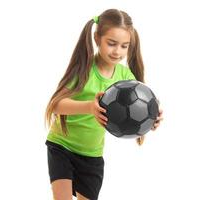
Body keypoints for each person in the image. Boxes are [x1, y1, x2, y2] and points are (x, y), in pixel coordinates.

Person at [45, 9, 163, 200]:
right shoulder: (84, 69)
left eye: (125, 46)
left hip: (92, 154)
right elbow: (56, 105)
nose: (118, 51)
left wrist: (152, 117)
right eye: (111, 43)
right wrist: (89, 107)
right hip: (62, 146)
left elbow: (141, 105)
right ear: (97, 38)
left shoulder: (126, 78)